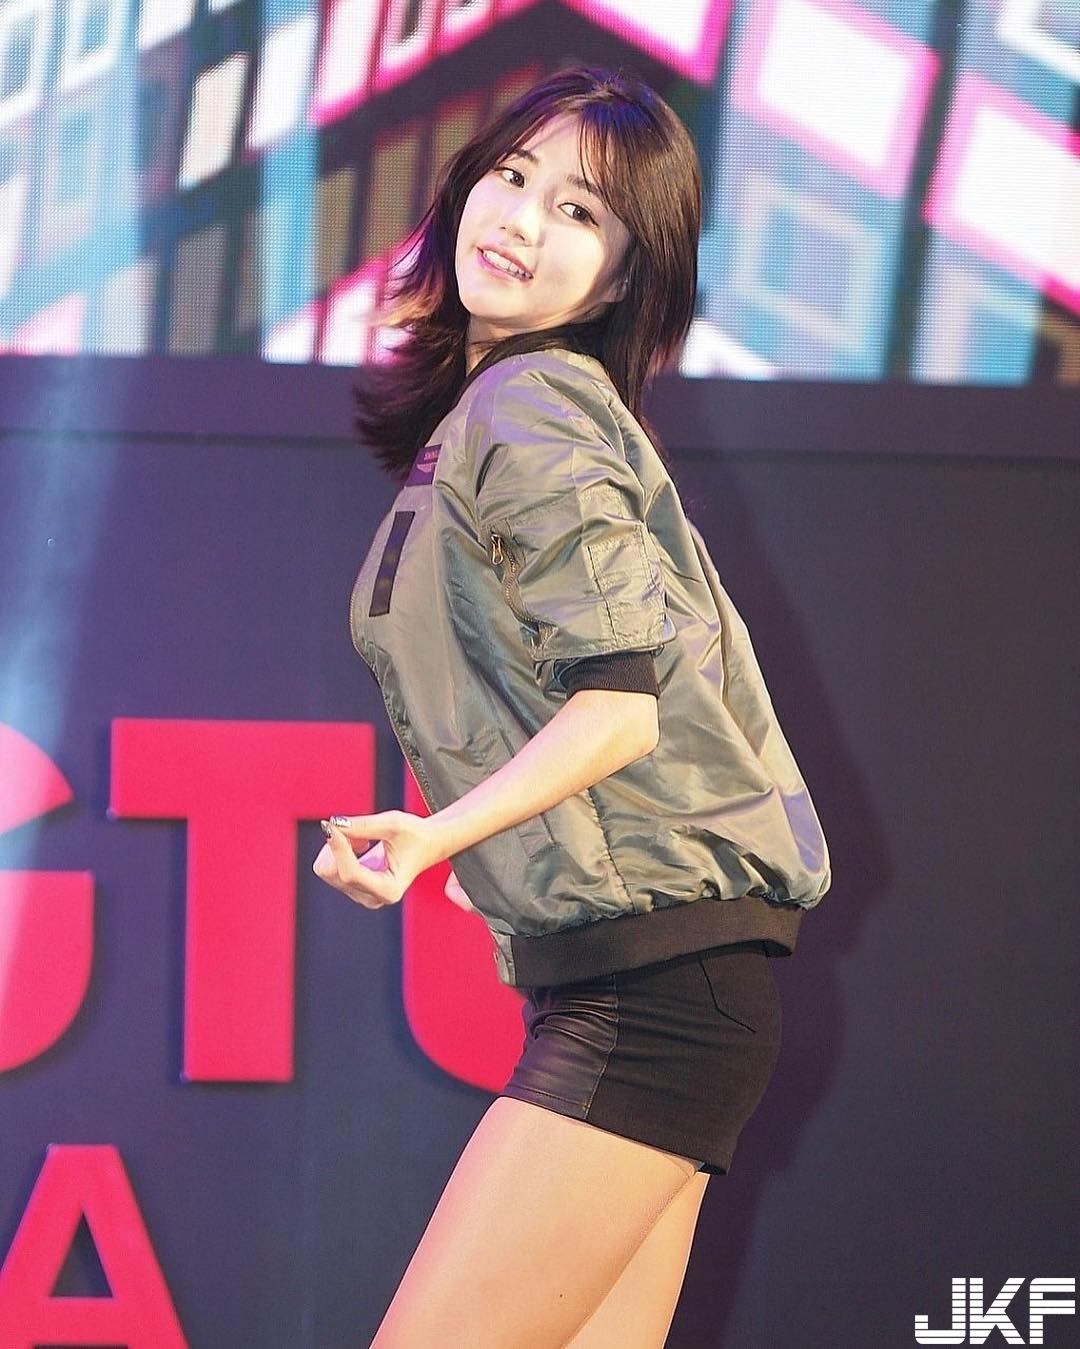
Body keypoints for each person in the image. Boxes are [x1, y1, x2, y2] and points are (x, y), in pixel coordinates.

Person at [313, 64, 830, 1348]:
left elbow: (621, 710)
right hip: (659, 983)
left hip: (655, 994)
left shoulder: (532, 403)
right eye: (514, 175)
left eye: (581, 211)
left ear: (621, 278)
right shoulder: (506, 410)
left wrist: (434, 838)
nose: (521, 219)